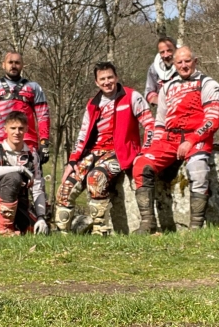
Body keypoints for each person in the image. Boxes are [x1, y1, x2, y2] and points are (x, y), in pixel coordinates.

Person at [54, 61, 154, 235]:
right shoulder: (93, 104)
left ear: (116, 77)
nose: (107, 82)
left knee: (96, 178)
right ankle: (62, 234)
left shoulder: (132, 96)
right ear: (96, 82)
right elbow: (82, 134)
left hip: (119, 153)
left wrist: (144, 152)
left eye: (110, 77)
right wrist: (72, 161)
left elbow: (150, 126)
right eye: (102, 79)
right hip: (94, 153)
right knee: (66, 187)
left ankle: (101, 231)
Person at [133, 46, 219, 232]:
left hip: (196, 137)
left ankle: (195, 228)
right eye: (179, 62)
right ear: (174, 64)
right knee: (141, 165)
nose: (184, 65)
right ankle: (147, 223)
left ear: (195, 62)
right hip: (169, 139)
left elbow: (213, 120)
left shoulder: (208, 84)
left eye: (187, 61)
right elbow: (160, 121)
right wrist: (155, 146)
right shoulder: (167, 87)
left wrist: (191, 140)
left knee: (198, 170)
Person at [0, 51, 50, 168]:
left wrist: (44, 143)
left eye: (17, 63)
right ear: (3, 64)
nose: (13, 66)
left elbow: (43, 117)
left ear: (22, 65)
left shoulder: (34, 87)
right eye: (10, 62)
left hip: (26, 143)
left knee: (31, 182)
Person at [0, 111, 49, 236]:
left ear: (26, 129)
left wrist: (41, 217)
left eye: (20, 128)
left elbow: (37, 188)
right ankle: (3, 229)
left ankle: (16, 225)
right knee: (14, 177)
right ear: (5, 129)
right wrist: (19, 169)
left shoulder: (31, 155)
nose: (17, 132)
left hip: (20, 203)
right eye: (13, 128)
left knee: (39, 232)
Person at [144, 37, 178, 105]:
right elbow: (149, 91)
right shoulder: (154, 68)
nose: (166, 55)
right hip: (164, 111)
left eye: (169, 50)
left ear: (176, 50)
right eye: (162, 52)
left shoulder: (185, 65)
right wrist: (159, 101)